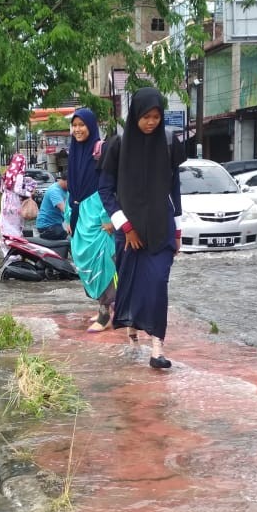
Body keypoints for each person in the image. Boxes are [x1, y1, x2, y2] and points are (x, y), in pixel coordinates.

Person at [98, 87, 187, 369]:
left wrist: (178, 229)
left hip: (161, 229)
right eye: (146, 117)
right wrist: (126, 227)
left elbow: (174, 187)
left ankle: (157, 348)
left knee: (159, 284)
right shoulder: (118, 146)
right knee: (132, 283)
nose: (151, 122)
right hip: (129, 234)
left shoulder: (170, 143)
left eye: (157, 117)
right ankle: (132, 326)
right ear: (135, 115)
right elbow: (105, 190)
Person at [66, 107, 118, 333]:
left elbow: (108, 184)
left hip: (98, 213)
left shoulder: (100, 150)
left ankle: (105, 314)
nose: (77, 129)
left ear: (91, 126)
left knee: (103, 261)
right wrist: (68, 215)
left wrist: (108, 216)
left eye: (82, 125)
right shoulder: (74, 151)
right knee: (84, 259)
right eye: (74, 125)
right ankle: (109, 308)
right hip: (79, 215)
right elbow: (72, 186)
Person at [0, 153, 35, 255]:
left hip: (5, 202)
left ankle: (6, 251)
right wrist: (28, 193)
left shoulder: (7, 173)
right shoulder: (19, 175)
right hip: (14, 203)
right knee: (15, 227)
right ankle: (15, 252)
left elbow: (1, 189)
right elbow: (17, 190)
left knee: (6, 226)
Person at [35, 172, 70, 240]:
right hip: (47, 226)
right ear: (66, 180)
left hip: (57, 224)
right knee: (70, 238)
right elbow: (64, 209)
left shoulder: (67, 190)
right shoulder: (54, 190)